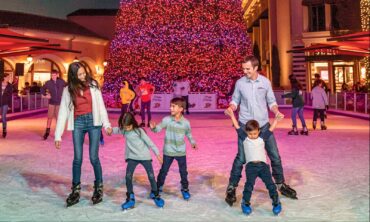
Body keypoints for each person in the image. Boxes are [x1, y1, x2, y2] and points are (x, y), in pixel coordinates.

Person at [225, 56, 297, 207]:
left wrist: (276, 111)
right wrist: (231, 108)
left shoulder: (265, 82)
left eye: (248, 69)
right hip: (245, 126)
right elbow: (235, 100)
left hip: (263, 125)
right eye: (243, 68)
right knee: (241, 158)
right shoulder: (240, 83)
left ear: (256, 68)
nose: (245, 71)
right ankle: (231, 187)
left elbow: (271, 101)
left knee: (274, 155)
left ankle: (280, 184)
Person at [54, 62, 112, 207]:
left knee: (93, 157)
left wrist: (107, 124)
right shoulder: (68, 90)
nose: (83, 75)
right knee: (77, 158)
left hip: (94, 122)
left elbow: (101, 106)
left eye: (83, 72)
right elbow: (63, 113)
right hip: (78, 123)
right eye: (79, 74)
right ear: (73, 76)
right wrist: (58, 135)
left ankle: (98, 187)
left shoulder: (93, 85)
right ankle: (75, 190)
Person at [225, 108, 282, 215]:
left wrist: (276, 120)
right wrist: (232, 115)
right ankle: (245, 203)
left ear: (258, 131)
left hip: (263, 166)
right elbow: (237, 127)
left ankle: (276, 202)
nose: (252, 136)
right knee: (249, 186)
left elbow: (270, 130)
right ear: (247, 132)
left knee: (270, 185)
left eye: (255, 133)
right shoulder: (245, 138)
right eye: (250, 133)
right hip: (251, 167)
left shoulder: (261, 138)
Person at [109, 112, 164, 210]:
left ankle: (155, 194)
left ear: (133, 123)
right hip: (132, 157)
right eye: (124, 127)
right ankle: (130, 197)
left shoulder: (139, 131)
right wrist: (110, 130)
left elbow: (150, 143)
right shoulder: (124, 130)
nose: (126, 129)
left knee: (151, 176)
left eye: (128, 127)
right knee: (128, 176)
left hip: (144, 157)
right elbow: (116, 130)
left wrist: (157, 154)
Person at [149, 97, 197, 200]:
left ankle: (185, 189)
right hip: (168, 151)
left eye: (173, 106)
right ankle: (157, 188)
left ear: (181, 109)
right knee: (163, 171)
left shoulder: (186, 123)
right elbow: (158, 128)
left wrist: (192, 142)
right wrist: (153, 128)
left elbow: (188, 133)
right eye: (170, 106)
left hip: (180, 152)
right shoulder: (167, 120)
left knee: (183, 172)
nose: (171, 108)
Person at [40, 69, 66, 140]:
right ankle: (47, 132)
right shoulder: (48, 82)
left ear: (57, 75)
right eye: (52, 75)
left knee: (58, 119)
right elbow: (42, 89)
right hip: (51, 102)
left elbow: (68, 87)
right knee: (49, 118)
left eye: (54, 75)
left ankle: (58, 132)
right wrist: (45, 95)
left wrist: (64, 95)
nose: (53, 77)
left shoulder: (61, 81)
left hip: (59, 103)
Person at [0, 73, 13, 138]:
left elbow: (10, 96)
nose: (8, 78)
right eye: (8, 77)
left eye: (9, 77)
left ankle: (4, 130)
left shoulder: (10, 86)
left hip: (5, 103)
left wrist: (9, 105)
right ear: (4, 77)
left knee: (3, 117)